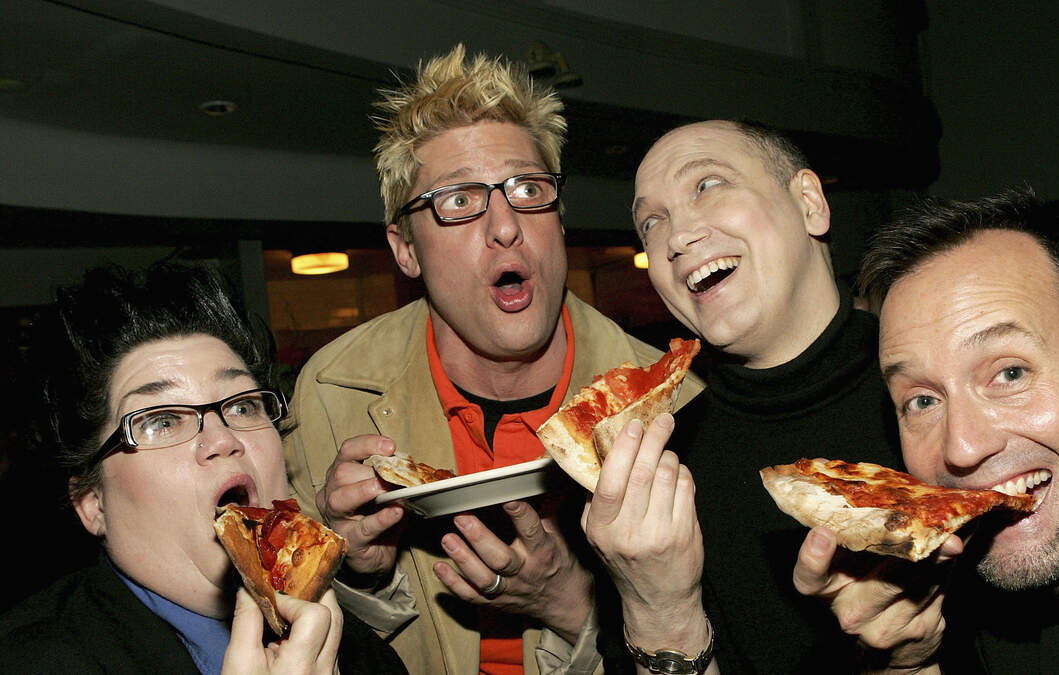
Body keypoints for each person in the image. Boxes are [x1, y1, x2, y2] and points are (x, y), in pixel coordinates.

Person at [283, 45, 701, 674]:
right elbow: (292, 627)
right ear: (405, 250)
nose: (505, 226)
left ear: (559, 220)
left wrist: (573, 606)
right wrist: (359, 569)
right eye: (457, 200)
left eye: (528, 189)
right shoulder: (330, 394)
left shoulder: (675, 403)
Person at [793, 189, 1059, 672]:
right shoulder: (983, 615)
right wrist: (906, 665)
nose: (962, 448)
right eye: (922, 400)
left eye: (1009, 373)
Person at [582, 120, 902, 673]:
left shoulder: (944, 398)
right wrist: (661, 611)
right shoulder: (654, 470)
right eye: (651, 222)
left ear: (809, 204)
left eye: (708, 185)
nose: (675, 238)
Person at [0, 264, 406, 674]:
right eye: (162, 420)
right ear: (93, 504)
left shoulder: (356, 651)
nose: (223, 439)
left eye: (242, 406)